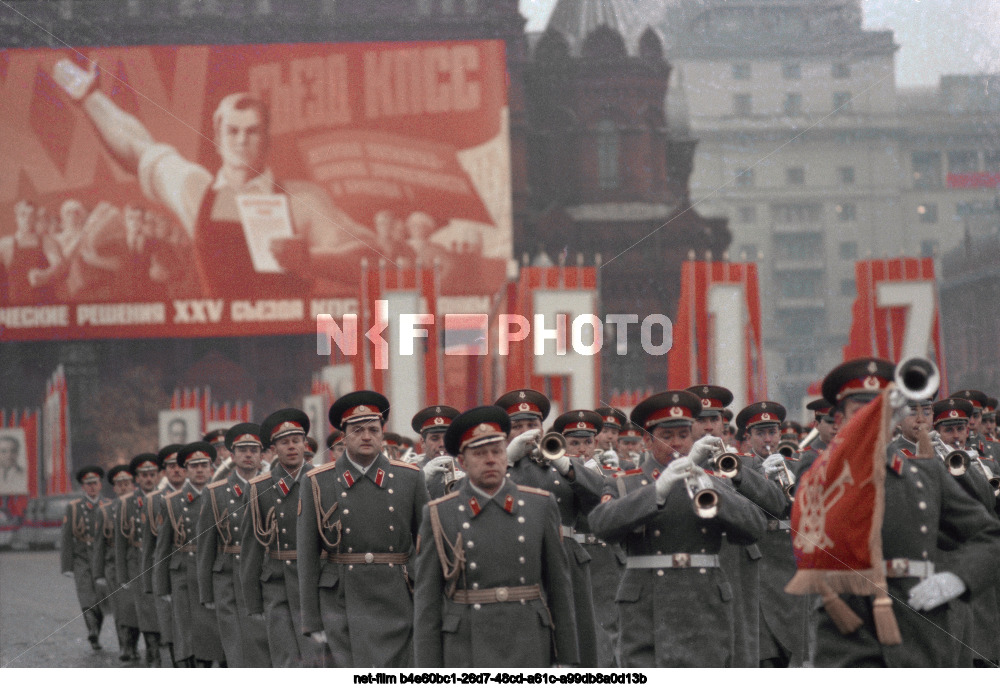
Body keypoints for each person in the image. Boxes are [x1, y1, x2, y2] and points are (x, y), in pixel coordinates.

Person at [51, 60, 380, 298]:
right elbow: (136, 148)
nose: (241, 140)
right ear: (217, 135)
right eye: (232, 131)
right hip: (222, 341)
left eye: (252, 132)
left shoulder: (302, 201)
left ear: (266, 138)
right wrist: (90, 98)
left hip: (286, 343)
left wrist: (310, 257)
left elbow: (372, 260)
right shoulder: (195, 191)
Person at [810, 358, 1000, 667]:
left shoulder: (925, 475)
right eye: (859, 414)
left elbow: (989, 534)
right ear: (839, 421)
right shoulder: (817, 469)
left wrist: (959, 577)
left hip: (919, 625)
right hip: (847, 632)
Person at [588, 390, 767, 667]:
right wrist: (656, 492)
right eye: (666, 436)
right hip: (647, 606)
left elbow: (755, 528)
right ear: (647, 440)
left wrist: (712, 489)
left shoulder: (711, 479)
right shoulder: (626, 483)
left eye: (683, 435)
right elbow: (601, 524)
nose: (677, 444)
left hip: (704, 602)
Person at [413, 405, 578, 667]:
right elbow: (427, 604)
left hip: (529, 640)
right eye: (479, 453)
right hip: (467, 645)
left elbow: (560, 588)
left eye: (497, 451)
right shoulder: (440, 513)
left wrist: (568, 659)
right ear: (463, 462)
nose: (490, 460)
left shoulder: (540, 506)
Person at [298, 391, 429, 667]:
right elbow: (307, 557)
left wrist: (422, 596)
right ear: (343, 437)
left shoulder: (409, 478)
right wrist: (312, 620)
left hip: (398, 598)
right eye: (357, 430)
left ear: (382, 434)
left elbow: (425, 546)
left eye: (373, 429)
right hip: (341, 600)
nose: (366, 436)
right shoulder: (318, 482)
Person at [496, 389, 606, 667]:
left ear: (542, 427)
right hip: (519, 556)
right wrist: (505, 459)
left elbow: (600, 494)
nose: (525, 432)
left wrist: (566, 465)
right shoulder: (498, 466)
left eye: (531, 425)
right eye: (516, 427)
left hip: (567, 557)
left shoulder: (561, 461)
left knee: (575, 640)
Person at [240, 409, 319, 667]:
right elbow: (251, 549)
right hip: (277, 584)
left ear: (305, 445)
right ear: (273, 449)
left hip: (316, 583)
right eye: (284, 442)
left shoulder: (322, 481)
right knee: (285, 658)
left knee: (318, 660)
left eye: (297, 441)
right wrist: (253, 603)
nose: (292, 447)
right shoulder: (260, 488)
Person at [734, 401, 805, 667]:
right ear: (749, 438)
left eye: (772, 432)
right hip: (762, 559)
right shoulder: (740, 468)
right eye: (760, 433)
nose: (768, 439)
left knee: (797, 642)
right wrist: (760, 477)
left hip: (791, 560)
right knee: (766, 650)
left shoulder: (795, 465)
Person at [197, 423, 271, 668]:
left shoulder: (272, 487)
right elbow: (206, 546)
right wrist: (206, 592)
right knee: (237, 647)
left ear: (263, 455)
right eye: (242, 450)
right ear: (232, 454)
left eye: (253, 449)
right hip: (229, 580)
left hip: (265, 575)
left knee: (268, 644)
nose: (248, 455)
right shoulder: (216, 493)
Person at [554, 409, 623, 668]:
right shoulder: (557, 472)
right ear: (562, 444)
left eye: (588, 442)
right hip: (572, 557)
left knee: (607, 633)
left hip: (605, 559)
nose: (582, 449)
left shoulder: (608, 472)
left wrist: (586, 472)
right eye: (574, 443)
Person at [153, 442, 225, 667]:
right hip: (184, 573)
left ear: (212, 468)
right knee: (188, 631)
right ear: (185, 470)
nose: (200, 470)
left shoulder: (223, 496)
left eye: (204, 465)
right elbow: (162, 549)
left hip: (215, 570)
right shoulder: (172, 502)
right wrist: (162, 587)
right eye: (194, 466)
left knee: (218, 629)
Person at [115, 453, 163, 666]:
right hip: (137, 562)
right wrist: (122, 575)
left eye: (152, 474)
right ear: (137, 478)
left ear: (158, 475)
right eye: (144, 475)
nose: (148, 479)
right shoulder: (127, 504)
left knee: (162, 606)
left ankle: (164, 648)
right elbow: (120, 543)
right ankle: (152, 651)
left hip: (161, 560)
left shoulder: (166, 498)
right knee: (144, 608)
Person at [141, 444, 186, 666]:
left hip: (197, 569)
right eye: (171, 466)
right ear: (164, 471)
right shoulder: (154, 500)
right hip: (169, 570)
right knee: (171, 627)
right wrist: (152, 584)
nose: (176, 470)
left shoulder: (204, 492)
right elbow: (150, 547)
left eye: (180, 465)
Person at [94, 464, 139, 663]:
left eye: (126, 483)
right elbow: (99, 546)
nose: (123, 487)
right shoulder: (106, 512)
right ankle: (125, 646)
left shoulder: (141, 505)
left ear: (133, 485)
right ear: (114, 488)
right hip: (114, 567)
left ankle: (135, 644)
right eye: (119, 484)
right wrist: (99, 574)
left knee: (136, 607)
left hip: (136, 563)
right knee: (121, 609)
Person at [61, 465, 110, 651]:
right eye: (88, 484)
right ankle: (92, 630)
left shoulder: (109, 504)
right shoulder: (74, 507)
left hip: (103, 558)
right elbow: (66, 537)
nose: (92, 487)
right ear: (83, 486)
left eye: (95, 483)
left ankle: (96, 630)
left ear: (100, 484)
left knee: (100, 596)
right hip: (82, 557)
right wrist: (66, 566)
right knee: (86, 595)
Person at [413, 405, 461, 499]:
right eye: (435, 438)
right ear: (423, 442)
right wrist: (420, 481)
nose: (442, 444)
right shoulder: (412, 470)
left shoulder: (467, 469)